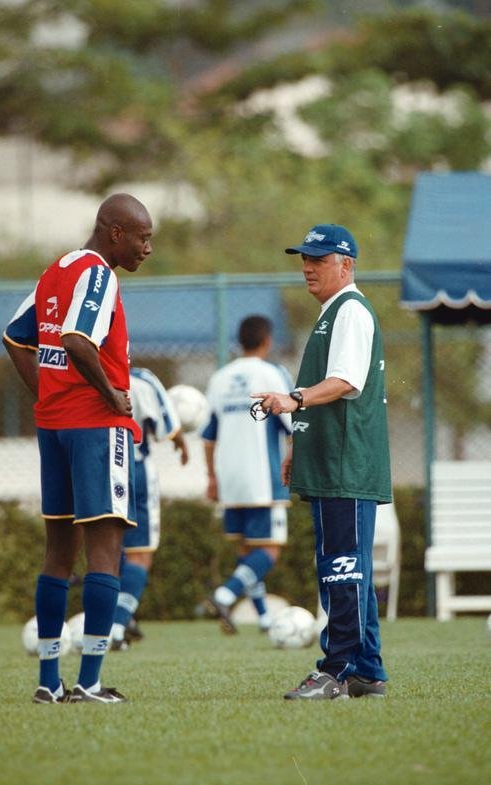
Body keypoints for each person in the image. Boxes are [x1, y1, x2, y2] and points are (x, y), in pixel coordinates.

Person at [2, 193, 153, 704]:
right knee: (106, 550)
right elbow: (76, 339)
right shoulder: (97, 273)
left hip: (55, 427)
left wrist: (47, 395)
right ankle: (88, 682)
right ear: (115, 232)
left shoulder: (55, 270)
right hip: (95, 427)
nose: (147, 249)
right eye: (143, 237)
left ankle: (48, 682)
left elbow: (14, 336)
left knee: (58, 552)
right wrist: (112, 396)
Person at [253, 223, 392, 701]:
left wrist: (293, 399)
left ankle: (337, 668)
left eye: (319, 258)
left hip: (346, 462)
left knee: (343, 569)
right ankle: (366, 671)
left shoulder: (350, 310)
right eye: (304, 258)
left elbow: (346, 382)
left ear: (346, 265)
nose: (307, 267)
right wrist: (299, 443)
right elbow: (329, 389)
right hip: (331, 458)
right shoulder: (333, 312)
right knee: (348, 568)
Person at [202, 315, 293, 634]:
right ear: (267, 340)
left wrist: (212, 477)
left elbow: (209, 435)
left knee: (247, 553)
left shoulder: (220, 378)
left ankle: (265, 618)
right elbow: (292, 422)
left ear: (239, 342)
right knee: (268, 550)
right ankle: (224, 594)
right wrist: (293, 458)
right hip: (263, 476)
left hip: (230, 478)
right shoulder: (273, 374)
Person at [110, 366, 188, 651]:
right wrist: (181, 442)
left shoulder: (82, 375)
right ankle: (116, 629)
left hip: (97, 470)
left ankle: (108, 621)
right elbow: (170, 427)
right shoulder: (142, 379)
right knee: (140, 554)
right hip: (136, 470)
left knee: (106, 550)